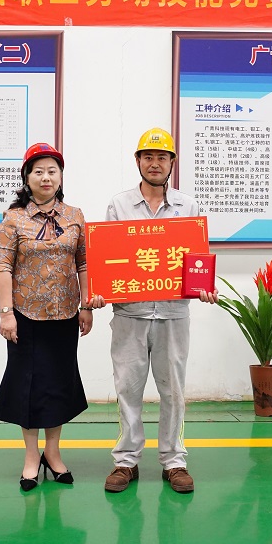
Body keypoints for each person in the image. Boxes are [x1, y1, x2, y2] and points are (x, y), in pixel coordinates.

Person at [103, 127, 218, 495]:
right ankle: (126, 461)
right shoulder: (119, 205)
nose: (155, 163)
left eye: (162, 157)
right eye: (148, 157)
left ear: (172, 163)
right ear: (138, 161)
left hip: (172, 314)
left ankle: (174, 462)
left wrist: (204, 287)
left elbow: (196, 259)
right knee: (127, 389)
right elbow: (108, 258)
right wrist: (99, 292)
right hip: (130, 314)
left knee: (173, 392)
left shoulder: (189, 206)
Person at [0, 142, 103, 492]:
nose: (46, 177)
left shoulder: (75, 216)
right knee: (27, 386)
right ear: (27, 178)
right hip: (25, 316)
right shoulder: (13, 219)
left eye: (52, 171)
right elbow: (3, 266)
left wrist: (86, 306)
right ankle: (31, 457)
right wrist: (6, 314)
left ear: (60, 177)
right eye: (38, 171)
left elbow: (84, 262)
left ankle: (53, 454)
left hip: (66, 315)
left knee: (58, 384)